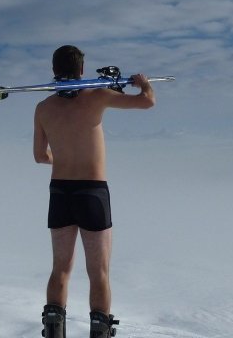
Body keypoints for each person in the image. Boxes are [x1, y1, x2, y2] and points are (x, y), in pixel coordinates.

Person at [33, 45, 155, 338]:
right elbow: (147, 102)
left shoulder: (44, 108)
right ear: (82, 71)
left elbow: (40, 156)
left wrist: (61, 157)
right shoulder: (98, 96)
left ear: (53, 71)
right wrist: (144, 83)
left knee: (60, 269)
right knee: (98, 273)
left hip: (60, 192)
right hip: (92, 191)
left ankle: (53, 332)